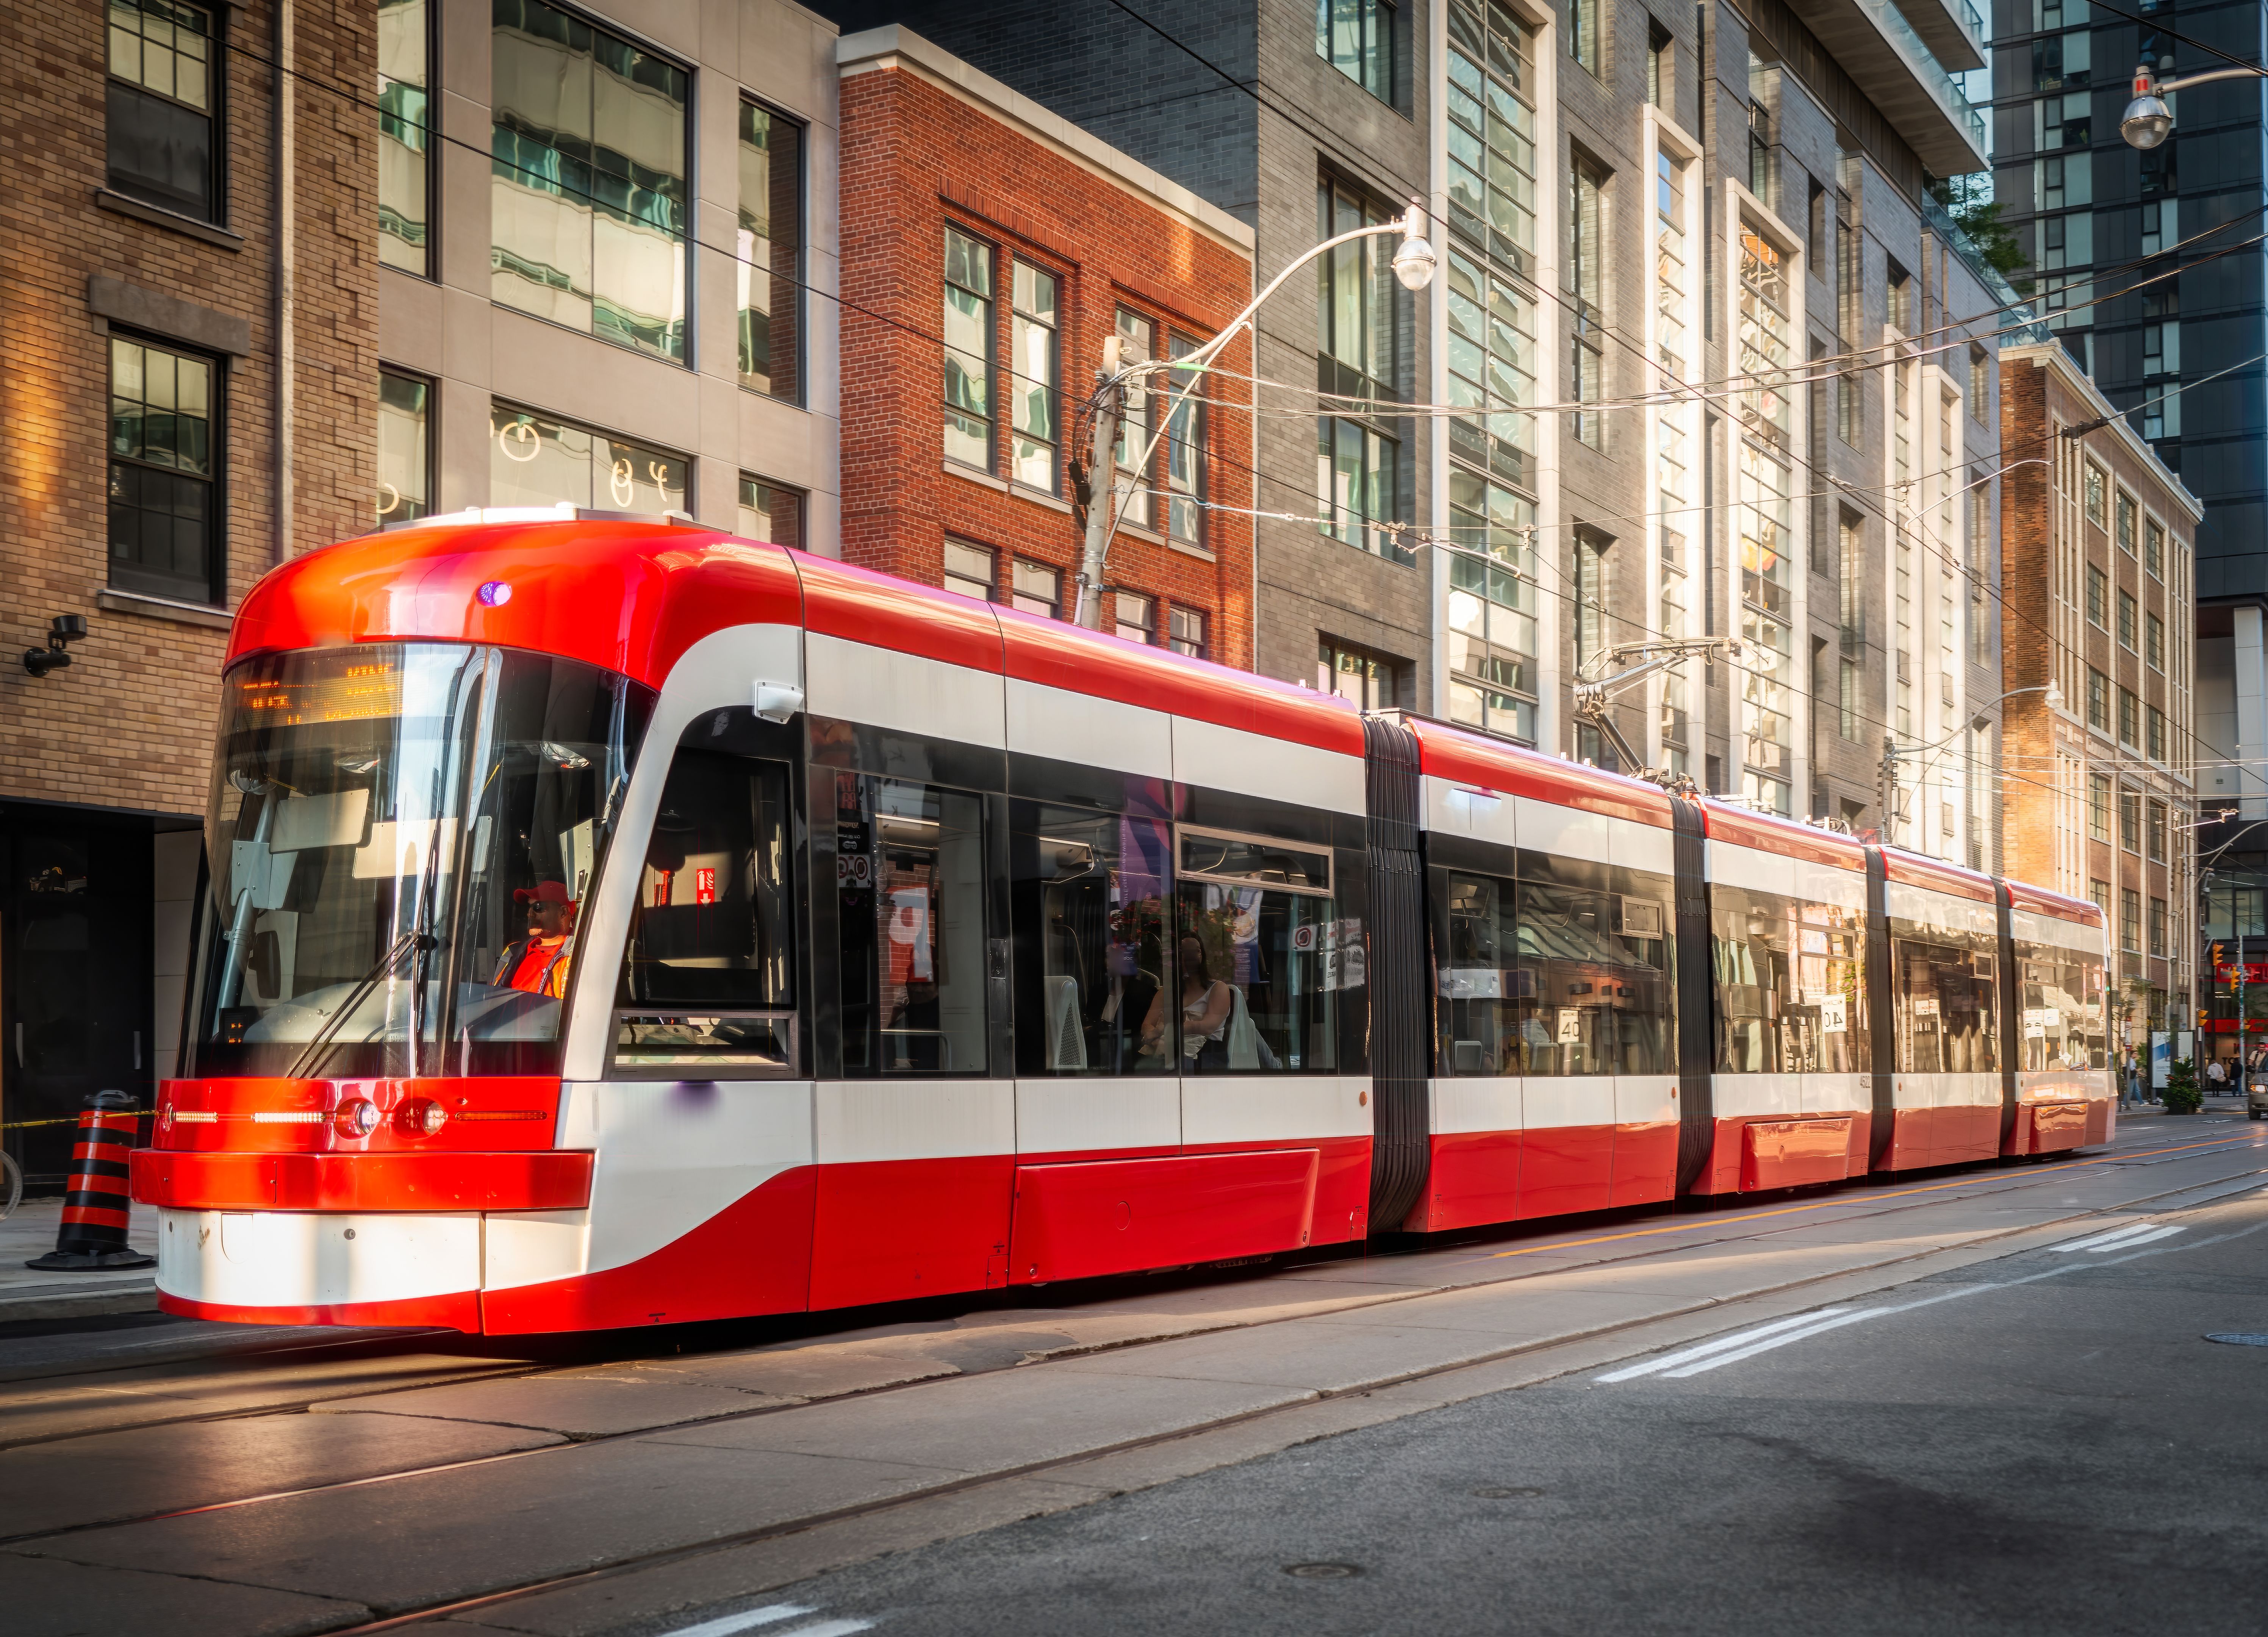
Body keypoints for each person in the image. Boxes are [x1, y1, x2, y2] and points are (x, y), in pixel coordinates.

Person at [1142, 934, 1233, 1072]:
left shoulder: (1218, 989)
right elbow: (1147, 1026)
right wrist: (1158, 1042)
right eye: (1183, 952)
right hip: (1166, 1059)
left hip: (1206, 1061)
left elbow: (1207, 1027)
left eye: (1195, 951)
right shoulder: (1167, 992)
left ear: (1202, 955)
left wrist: (1163, 1033)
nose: (1190, 958)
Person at [494, 880, 577, 999]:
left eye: (538, 907)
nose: (530, 914)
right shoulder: (513, 952)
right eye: (530, 907)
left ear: (563, 912)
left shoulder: (577, 957)